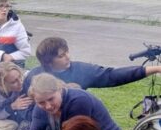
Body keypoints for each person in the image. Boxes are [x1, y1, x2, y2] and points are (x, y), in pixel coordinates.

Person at [23, 36, 161, 94]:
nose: (68, 57)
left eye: (67, 52)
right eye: (61, 56)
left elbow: (112, 76)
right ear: (48, 61)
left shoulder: (80, 70)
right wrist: (12, 105)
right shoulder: (34, 76)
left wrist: (155, 69)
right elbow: (21, 99)